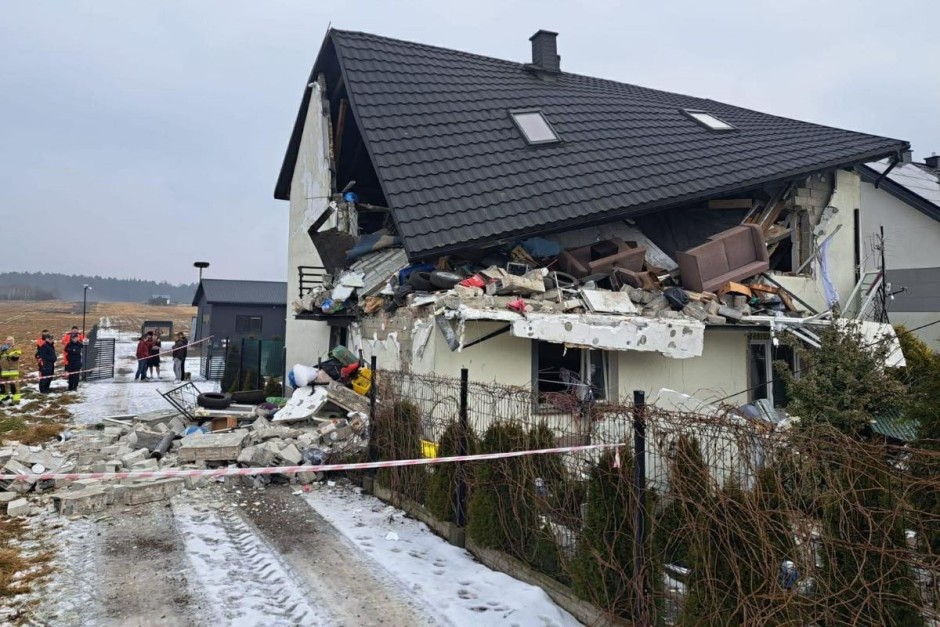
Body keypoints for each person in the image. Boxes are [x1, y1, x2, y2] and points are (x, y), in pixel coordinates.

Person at [0, 336, 22, 403]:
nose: (8, 341)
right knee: (4, 385)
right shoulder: (3, 348)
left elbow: (15, 357)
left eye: (10, 340)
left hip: (12, 370)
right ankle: (5, 396)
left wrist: (7, 352)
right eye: (7, 340)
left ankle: (16, 400)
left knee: (14, 386)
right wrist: (2, 350)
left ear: (13, 341)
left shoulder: (16, 348)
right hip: (3, 370)